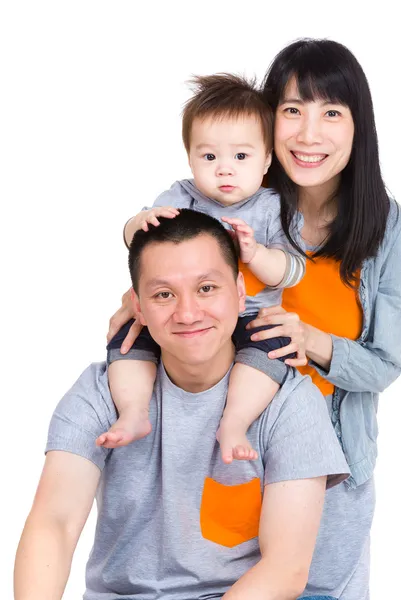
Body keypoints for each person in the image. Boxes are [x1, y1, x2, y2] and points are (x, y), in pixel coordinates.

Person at [107, 39, 401, 599]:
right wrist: (135, 304)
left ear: (358, 126)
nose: (308, 132)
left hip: (330, 472)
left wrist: (313, 341)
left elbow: (383, 366)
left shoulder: (391, 230)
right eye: (292, 110)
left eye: (331, 113)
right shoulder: (233, 193)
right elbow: (170, 286)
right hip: (231, 453)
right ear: (266, 122)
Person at [14, 209, 349, 600]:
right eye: (163, 295)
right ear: (137, 306)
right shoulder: (101, 390)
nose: (188, 313)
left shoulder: (290, 401)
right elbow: (55, 522)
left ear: (240, 293)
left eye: (207, 288)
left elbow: (286, 569)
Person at [98, 74, 306, 464]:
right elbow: (136, 240)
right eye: (209, 157)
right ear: (191, 158)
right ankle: (133, 411)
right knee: (129, 337)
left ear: (266, 160)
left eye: (240, 157)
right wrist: (140, 222)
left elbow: (291, 271)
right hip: (187, 314)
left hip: (251, 314)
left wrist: (256, 253)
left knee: (271, 349)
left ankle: (235, 421)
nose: (224, 170)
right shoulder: (182, 195)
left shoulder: (273, 207)